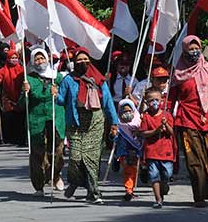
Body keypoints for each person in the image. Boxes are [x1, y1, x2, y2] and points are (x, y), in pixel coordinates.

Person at [167, 35, 208, 208]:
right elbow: (170, 100)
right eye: (190, 49)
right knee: (194, 160)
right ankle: (199, 196)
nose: (194, 52)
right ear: (184, 50)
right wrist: (164, 118)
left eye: (196, 48)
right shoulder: (178, 73)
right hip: (187, 120)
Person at [56, 48, 119, 204]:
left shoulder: (98, 79)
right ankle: (75, 181)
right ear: (74, 63)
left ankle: (94, 193)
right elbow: (61, 100)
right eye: (79, 60)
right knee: (75, 158)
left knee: (91, 159)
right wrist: (55, 93)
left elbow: (108, 102)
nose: (82, 62)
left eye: (85, 59)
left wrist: (114, 122)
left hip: (95, 122)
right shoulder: (68, 80)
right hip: (75, 123)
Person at [19, 48, 66, 195]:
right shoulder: (29, 79)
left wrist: (57, 93)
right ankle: (39, 185)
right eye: (37, 59)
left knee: (58, 151)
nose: (40, 62)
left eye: (42, 58)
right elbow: (21, 105)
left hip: (55, 119)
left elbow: (66, 96)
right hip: (36, 121)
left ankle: (56, 175)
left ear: (47, 59)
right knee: (38, 154)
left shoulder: (57, 77)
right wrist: (24, 92)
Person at [139, 88, 175, 209]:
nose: (154, 103)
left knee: (167, 173)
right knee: (154, 176)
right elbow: (143, 133)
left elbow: (171, 133)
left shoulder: (167, 115)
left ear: (162, 101)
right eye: (151, 100)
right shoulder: (146, 116)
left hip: (166, 152)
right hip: (151, 152)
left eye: (157, 100)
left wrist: (166, 125)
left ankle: (164, 185)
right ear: (146, 101)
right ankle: (158, 199)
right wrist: (156, 131)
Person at [0, 47, 26, 145]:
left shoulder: (22, 70)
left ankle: (20, 138)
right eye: (12, 58)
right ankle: (8, 138)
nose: (14, 60)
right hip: (8, 98)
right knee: (9, 118)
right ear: (8, 59)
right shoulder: (3, 70)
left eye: (15, 58)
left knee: (20, 119)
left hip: (19, 97)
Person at [113, 98, 141, 201]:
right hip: (124, 151)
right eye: (125, 111)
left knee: (133, 170)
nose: (127, 113)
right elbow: (113, 138)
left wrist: (139, 132)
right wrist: (113, 134)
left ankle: (130, 188)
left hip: (136, 151)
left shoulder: (138, 122)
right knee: (128, 170)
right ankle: (129, 190)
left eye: (130, 111)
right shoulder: (118, 124)